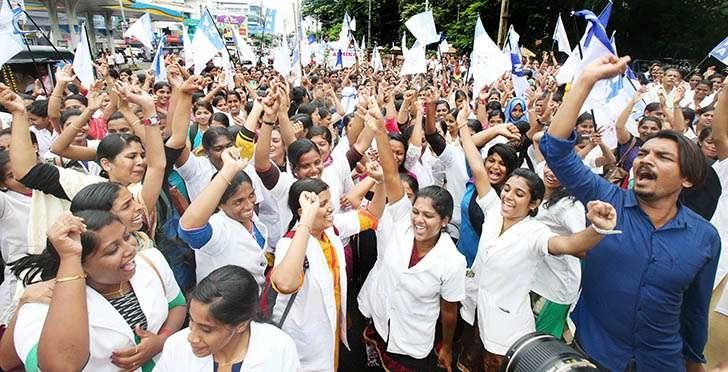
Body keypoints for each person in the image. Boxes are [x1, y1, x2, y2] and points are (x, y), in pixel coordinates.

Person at [541, 55, 720, 371]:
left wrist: (695, 364)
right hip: (593, 355)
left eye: (662, 157)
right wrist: (585, 80)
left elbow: (695, 312)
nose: (645, 160)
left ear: (687, 179)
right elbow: (555, 150)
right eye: (644, 153)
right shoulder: (606, 200)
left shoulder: (705, 238)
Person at [456, 108, 617, 371]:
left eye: (519, 194)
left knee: (496, 364)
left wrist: (597, 229)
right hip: (481, 307)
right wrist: (462, 126)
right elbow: (477, 165)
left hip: (509, 326)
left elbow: (569, 245)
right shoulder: (493, 209)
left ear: (533, 204)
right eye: (507, 188)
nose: (508, 196)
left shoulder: (535, 233)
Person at [357, 103, 466, 371]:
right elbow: (392, 175)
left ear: (444, 221)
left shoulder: (452, 262)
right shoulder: (402, 224)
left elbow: (449, 312)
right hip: (381, 324)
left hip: (412, 343)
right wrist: (380, 131)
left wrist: (447, 346)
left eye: (428, 216)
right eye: (416, 211)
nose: (418, 219)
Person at [9, 210, 186, 371]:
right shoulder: (40, 308)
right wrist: (70, 256)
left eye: (126, 237)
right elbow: (60, 367)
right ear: (81, 267)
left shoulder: (150, 260)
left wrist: (162, 340)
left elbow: (177, 304)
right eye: (112, 250)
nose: (130, 249)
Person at [269, 175, 379, 371]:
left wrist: (382, 180)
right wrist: (306, 221)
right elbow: (285, 284)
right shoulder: (289, 244)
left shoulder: (330, 229)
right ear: (303, 211)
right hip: (306, 340)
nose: (331, 208)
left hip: (330, 330)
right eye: (322, 204)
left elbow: (372, 216)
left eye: (330, 201)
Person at [154, 265, 300, 371]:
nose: (192, 338)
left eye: (206, 329)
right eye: (191, 321)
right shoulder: (176, 347)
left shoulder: (279, 348)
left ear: (241, 325)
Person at [178, 148, 269, 286]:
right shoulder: (219, 228)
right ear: (220, 204)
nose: (249, 205)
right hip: (224, 304)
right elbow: (188, 230)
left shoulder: (252, 220)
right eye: (238, 201)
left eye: (251, 195)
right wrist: (228, 169)